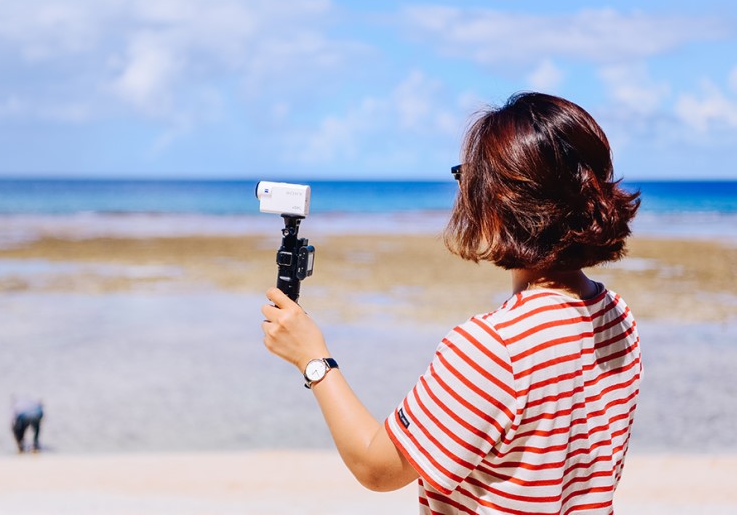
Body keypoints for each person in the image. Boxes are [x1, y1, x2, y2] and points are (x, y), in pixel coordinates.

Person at [261, 92, 642, 514]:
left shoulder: (495, 347)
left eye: (467, 178)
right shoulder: (618, 317)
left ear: (500, 202)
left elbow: (376, 467)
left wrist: (313, 360)